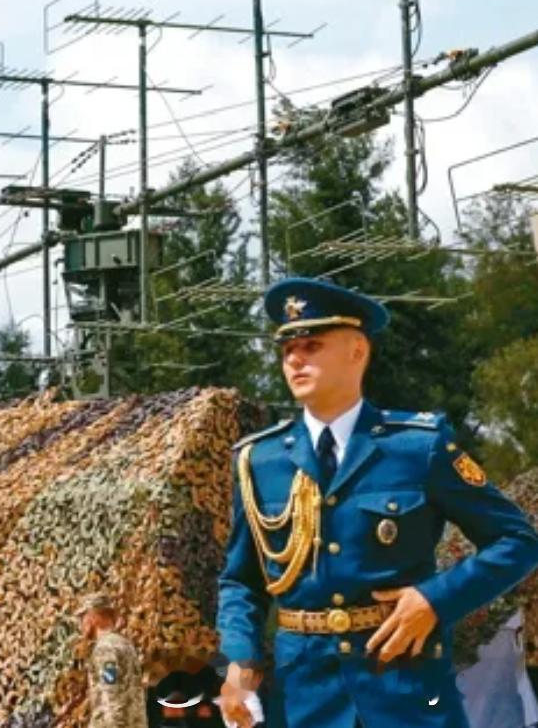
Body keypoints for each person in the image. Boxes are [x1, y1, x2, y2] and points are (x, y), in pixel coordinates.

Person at [217, 278, 538, 728]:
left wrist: (434, 600)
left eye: (312, 345)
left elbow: (517, 541)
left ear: (357, 351)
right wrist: (239, 661)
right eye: (287, 350)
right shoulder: (260, 461)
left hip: (407, 690)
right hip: (305, 698)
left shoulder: (417, 448)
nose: (295, 360)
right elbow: (241, 581)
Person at [78, 593, 148, 728]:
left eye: (83, 617)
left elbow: (110, 693)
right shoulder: (126, 645)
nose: (81, 624)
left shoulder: (104, 648)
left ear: (93, 617)